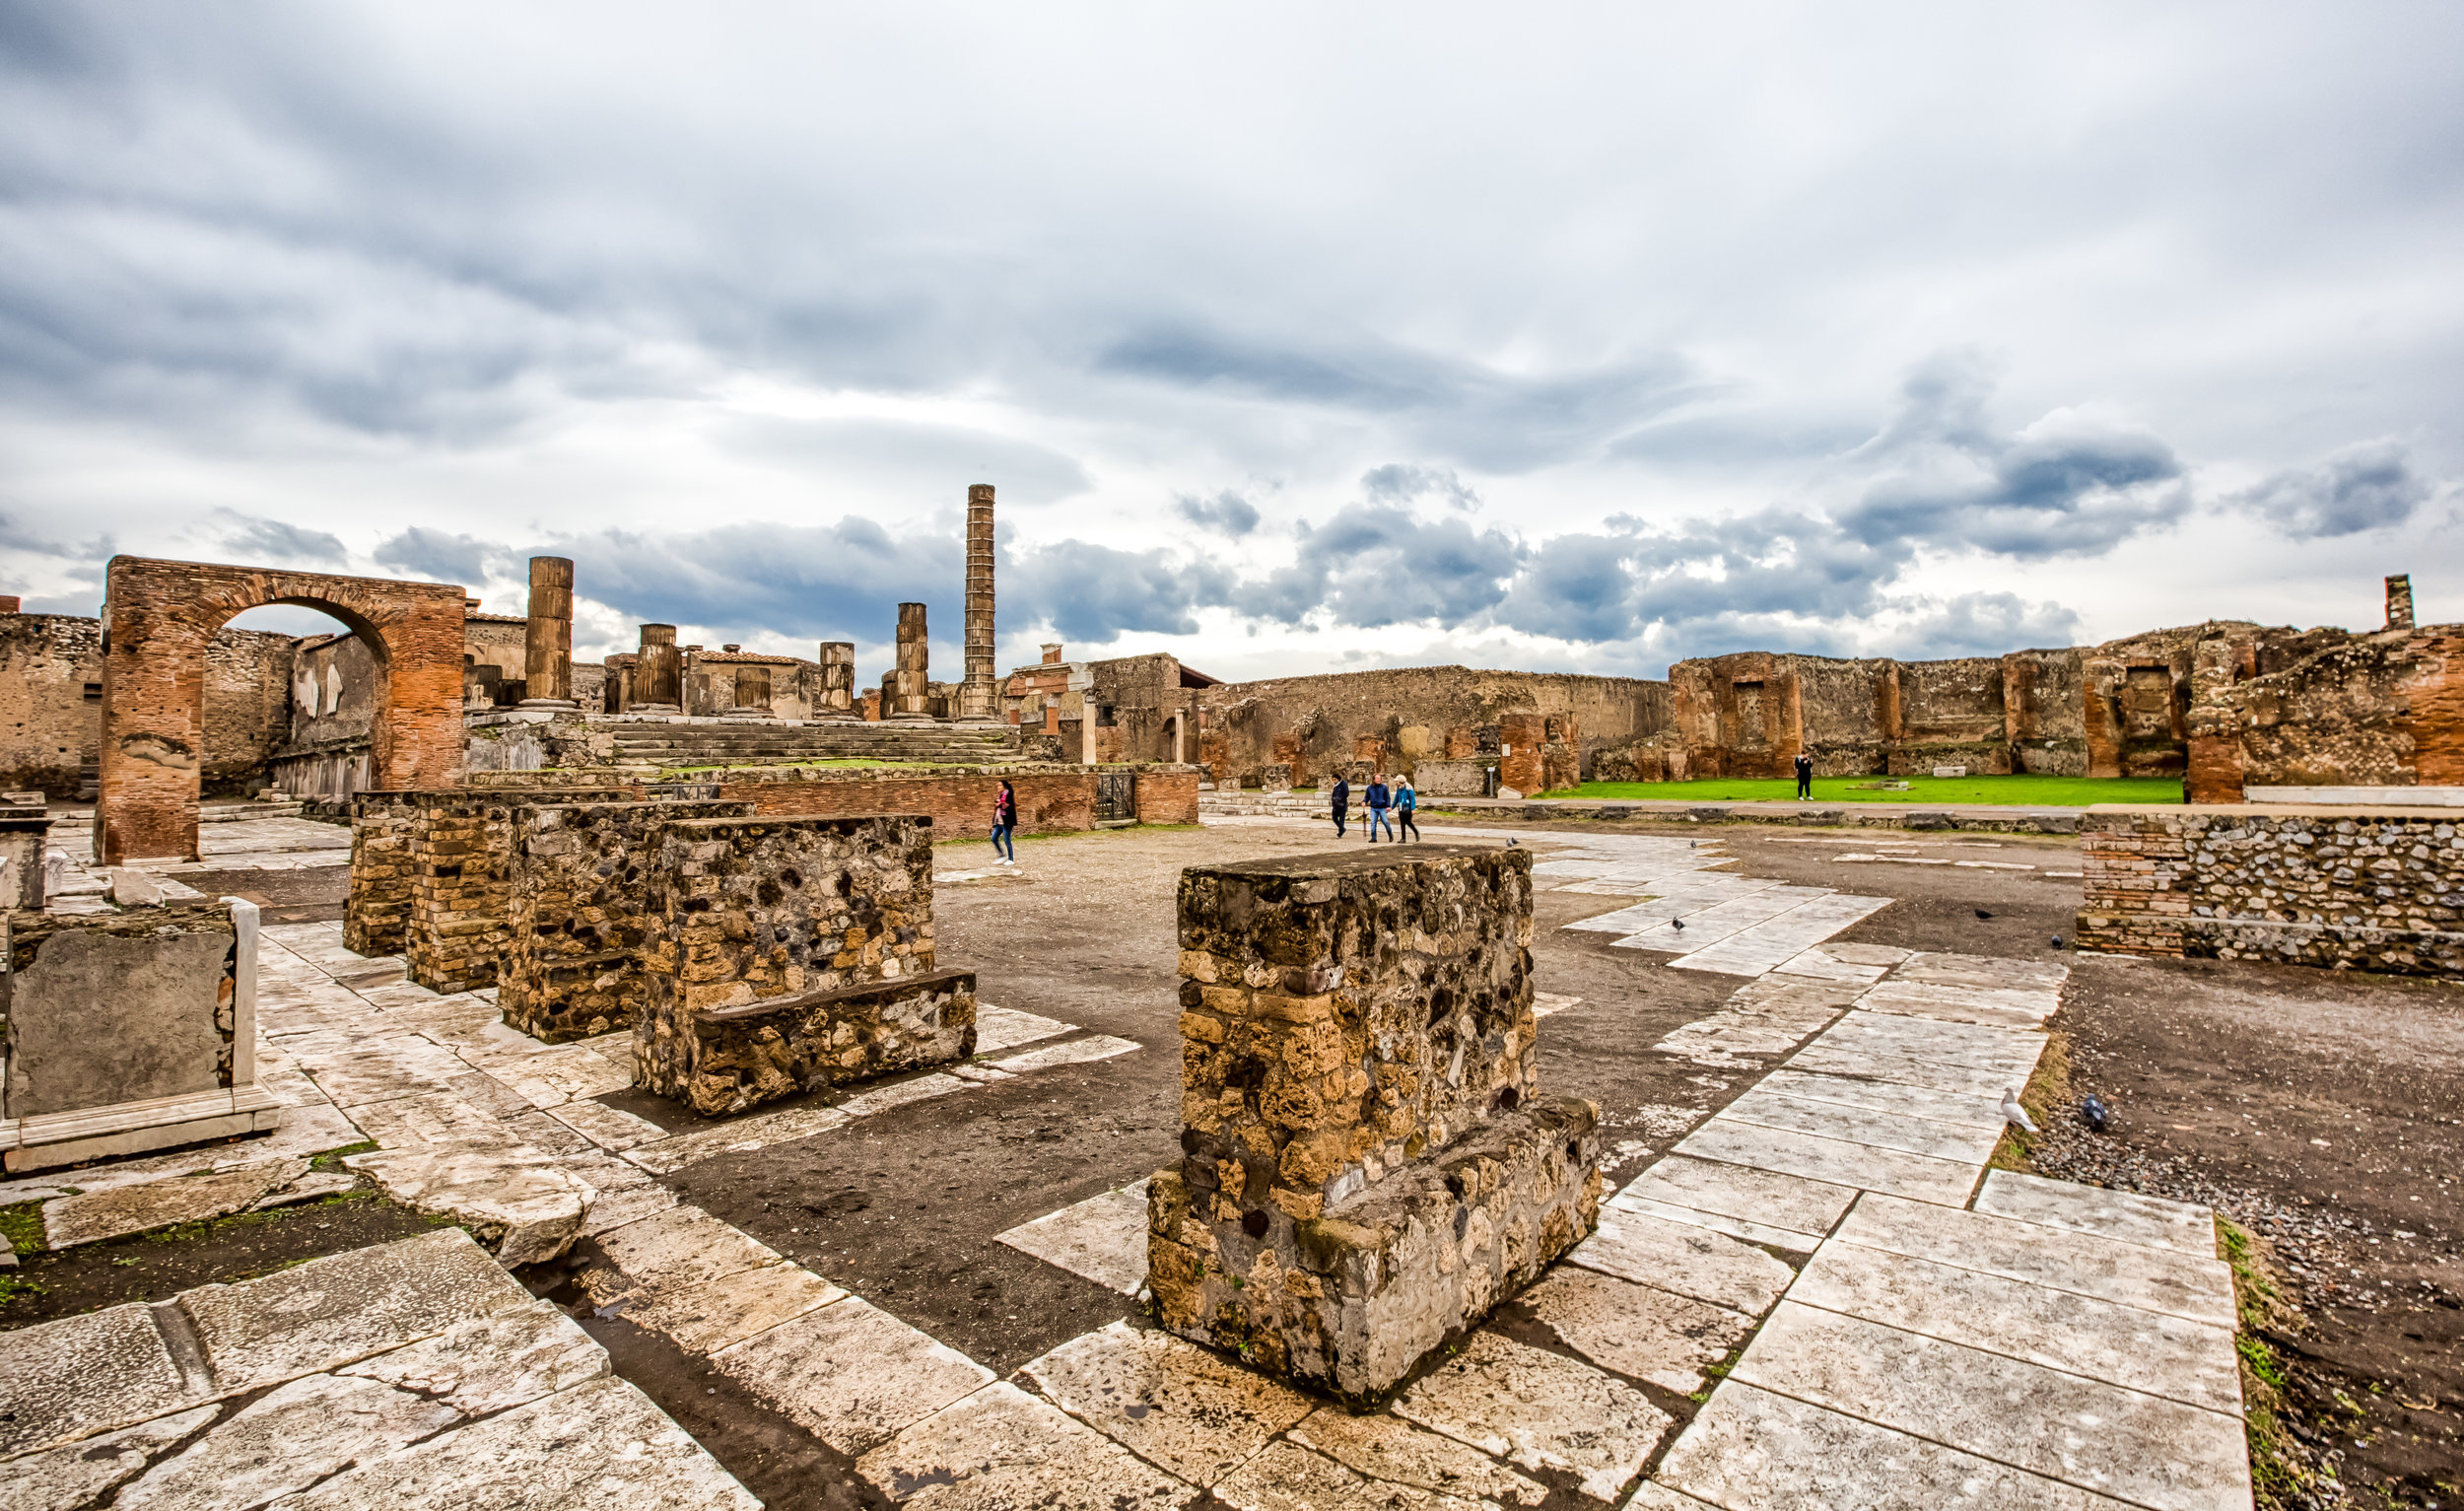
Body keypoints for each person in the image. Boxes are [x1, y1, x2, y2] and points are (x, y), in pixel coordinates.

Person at [991, 779, 1018, 864]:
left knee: (1007, 840)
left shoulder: (1008, 794)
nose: (998, 787)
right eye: (997, 786)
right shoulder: (1001, 795)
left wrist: (1001, 803)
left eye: (999, 785)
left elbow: (1009, 807)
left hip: (1007, 822)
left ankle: (1011, 859)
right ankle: (1002, 855)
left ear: (1004, 786)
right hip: (999, 822)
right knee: (993, 838)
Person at [1364, 773, 1394, 842]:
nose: (1379, 779)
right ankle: (1373, 838)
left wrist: (1387, 806)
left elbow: (1387, 797)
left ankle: (1390, 835)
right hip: (1373, 808)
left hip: (1382, 807)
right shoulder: (1369, 788)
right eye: (1377, 778)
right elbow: (1367, 797)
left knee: (1385, 822)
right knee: (1373, 823)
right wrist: (1364, 801)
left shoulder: (1384, 787)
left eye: (1379, 778)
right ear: (1374, 780)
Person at [1394, 775, 1420, 843]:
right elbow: (1396, 798)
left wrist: (1413, 809)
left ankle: (1416, 832)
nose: (1396, 782)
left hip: (1407, 808)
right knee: (1402, 823)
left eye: (1397, 781)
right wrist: (1391, 807)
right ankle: (1403, 838)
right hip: (1400, 807)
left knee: (1408, 822)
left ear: (1400, 782)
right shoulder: (1398, 788)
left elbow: (1412, 799)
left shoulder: (1409, 788)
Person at [1330, 773, 1350, 838]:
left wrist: (1340, 798)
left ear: (1338, 779)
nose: (1334, 781)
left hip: (1342, 805)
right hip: (1335, 805)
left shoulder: (1343, 784)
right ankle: (1342, 829)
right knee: (1334, 818)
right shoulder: (1335, 785)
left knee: (1341, 820)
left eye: (1335, 779)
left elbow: (1346, 793)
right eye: (1333, 780)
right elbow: (1334, 794)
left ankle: (1340, 832)